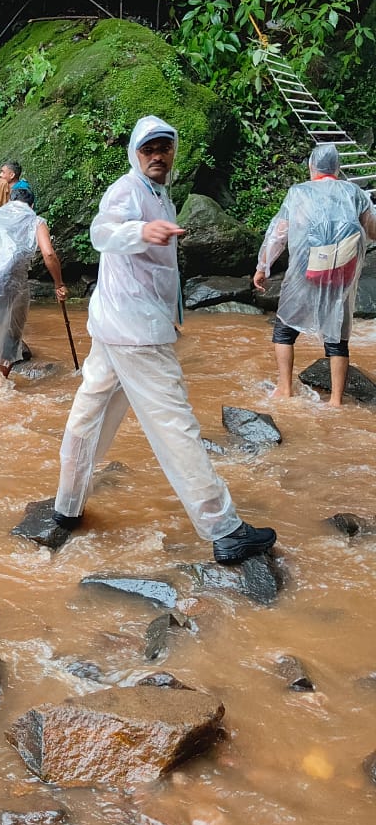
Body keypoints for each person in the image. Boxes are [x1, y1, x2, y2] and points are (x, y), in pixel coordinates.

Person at [50, 115, 277, 565]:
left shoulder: (161, 196)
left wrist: (173, 316)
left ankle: (66, 505)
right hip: (134, 334)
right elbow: (101, 232)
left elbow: (162, 272)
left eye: (164, 148)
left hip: (118, 327)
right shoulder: (127, 191)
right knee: (176, 427)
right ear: (135, 153)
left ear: (172, 152)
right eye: (148, 149)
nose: (157, 156)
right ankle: (223, 528)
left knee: (86, 417)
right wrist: (138, 232)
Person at [253, 142, 376, 406]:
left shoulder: (299, 192)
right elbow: (373, 231)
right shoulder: (354, 193)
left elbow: (278, 234)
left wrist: (263, 267)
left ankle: (285, 389)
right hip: (341, 274)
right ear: (337, 168)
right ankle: (336, 401)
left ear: (312, 167)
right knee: (337, 337)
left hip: (304, 273)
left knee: (284, 331)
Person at [0, 188, 67, 382]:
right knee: (12, 333)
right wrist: (58, 284)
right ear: (32, 206)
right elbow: (49, 254)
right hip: (12, 283)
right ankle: (1, 378)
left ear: (10, 201)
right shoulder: (36, 221)